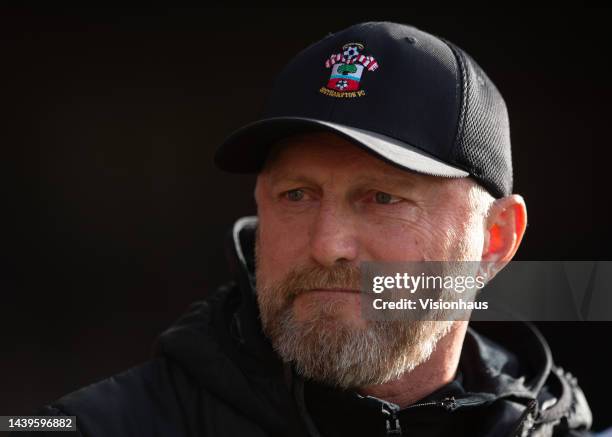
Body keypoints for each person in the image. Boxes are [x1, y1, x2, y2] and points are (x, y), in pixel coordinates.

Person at [22, 21, 593, 437]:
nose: (327, 245)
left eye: (382, 198)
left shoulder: (559, 427)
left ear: (495, 239)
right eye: (297, 195)